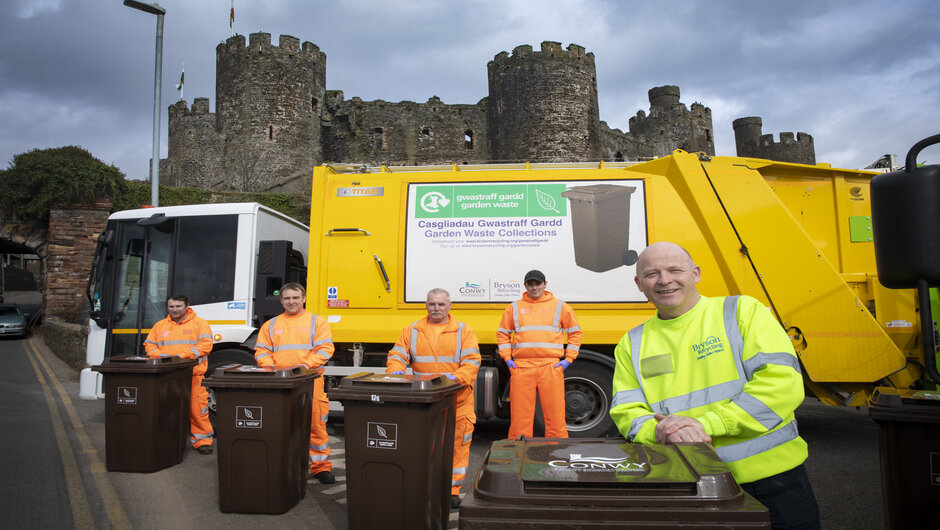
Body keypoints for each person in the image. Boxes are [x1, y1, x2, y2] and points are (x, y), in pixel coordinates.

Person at [610, 242, 820, 529]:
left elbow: (782, 383)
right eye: (652, 274)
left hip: (772, 482)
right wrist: (659, 431)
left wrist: (706, 426)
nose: (664, 280)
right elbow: (627, 411)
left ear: (695, 273)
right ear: (639, 284)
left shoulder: (742, 311)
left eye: (674, 270)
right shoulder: (632, 343)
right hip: (689, 484)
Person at [386, 288, 481, 509]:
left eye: (440, 304)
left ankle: (452, 490)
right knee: (423, 447)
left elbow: (472, 362)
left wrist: (455, 378)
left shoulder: (463, 331)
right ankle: (423, 487)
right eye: (431, 304)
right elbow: (397, 354)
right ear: (426, 305)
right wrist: (396, 370)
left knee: (457, 446)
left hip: (457, 399)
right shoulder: (413, 329)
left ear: (450, 306)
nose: (436, 308)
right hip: (424, 400)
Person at [254, 283, 336, 484]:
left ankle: (321, 467)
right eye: (287, 298)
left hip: (310, 381)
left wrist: (304, 367)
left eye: (295, 298)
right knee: (282, 425)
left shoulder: (317, 322)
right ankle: (285, 464)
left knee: (315, 425)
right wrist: (268, 365)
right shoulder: (271, 325)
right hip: (280, 383)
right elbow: (262, 350)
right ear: (281, 301)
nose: (291, 302)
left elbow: (325, 350)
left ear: (304, 299)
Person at [497, 270, 581, 439]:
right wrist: (507, 358)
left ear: (545, 284)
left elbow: (575, 333)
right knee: (520, 415)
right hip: (522, 366)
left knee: (555, 414)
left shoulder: (559, 306)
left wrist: (569, 359)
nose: (534, 287)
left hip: (550, 365)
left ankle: (556, 451)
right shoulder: (514, 307)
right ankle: (518, 452)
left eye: (537, 284)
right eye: (530, 284)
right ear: (525, 286)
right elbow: (502, 333)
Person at [144, 294, 214, 454]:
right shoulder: (160, 326)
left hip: (193, 375)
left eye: (178, 306)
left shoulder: (200, 324)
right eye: (171, 307)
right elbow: (149, 345)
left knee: (198, 410)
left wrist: (182, 356)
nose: (174, 310)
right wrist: (160, 356)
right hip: (167, 375)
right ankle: (168, 441)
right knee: (168, 410)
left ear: (187, 306)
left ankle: (202, 442)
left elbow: (205, 346)